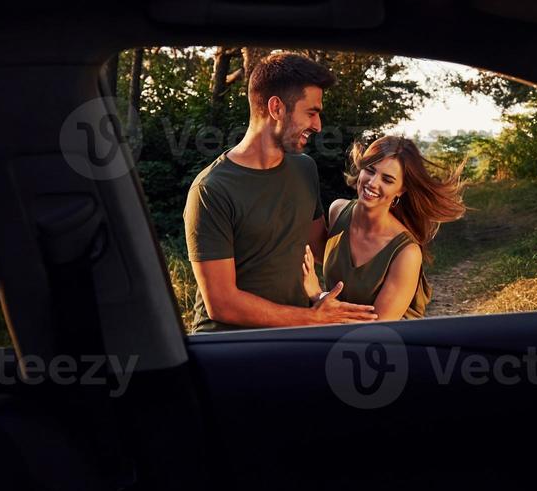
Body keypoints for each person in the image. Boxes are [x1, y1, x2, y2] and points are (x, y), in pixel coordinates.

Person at [184, 52, 378, 332]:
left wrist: (386, 230)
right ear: (276, 108)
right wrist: (313, 318)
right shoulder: (211, 190)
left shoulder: (304, 169)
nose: (318, 125)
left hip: (293, 334)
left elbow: (320, 249)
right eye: (311, 112)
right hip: (226, 345)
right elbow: (222, 302)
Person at [302, 135, 465, 321]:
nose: (373, 183)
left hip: (390, 346)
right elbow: (331, 260)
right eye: (370, 170)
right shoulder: (338, 211)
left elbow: (376, 328)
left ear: (401, 190)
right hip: (337, 338)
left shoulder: (407, 253)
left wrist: (318, 295)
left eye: (387, 180)